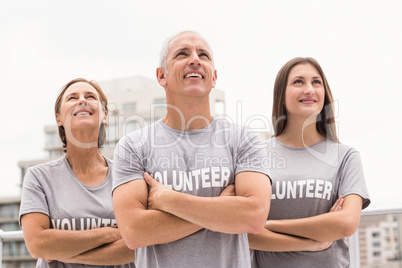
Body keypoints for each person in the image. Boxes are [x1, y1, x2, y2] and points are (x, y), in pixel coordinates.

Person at [112, 31, 272, 268]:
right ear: (161, 75)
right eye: (182, 54)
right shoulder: (133, 146)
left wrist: (169, 200)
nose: (195, 59)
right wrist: (221, 208)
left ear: (214, 77)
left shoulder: (244, 140)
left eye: (203, 55)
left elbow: (254, 217)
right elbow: (134, 232)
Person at [248, 57, 371, 267]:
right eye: (298, 82)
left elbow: (346, 224)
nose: (309, 89)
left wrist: (269, 224)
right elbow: (245, 233)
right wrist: (312, 242)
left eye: (316, 82)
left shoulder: (345, 156)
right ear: (281, 94)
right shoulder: (255, 154)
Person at [19, 78, 135, 267]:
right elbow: (38, 244)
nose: (82, 100)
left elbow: (136, 246)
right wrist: (109, 233)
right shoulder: (39, 177)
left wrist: (63, 251)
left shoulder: (127, 176)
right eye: (72, 98)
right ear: (58, 118)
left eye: (90, 96)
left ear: (104, 115)